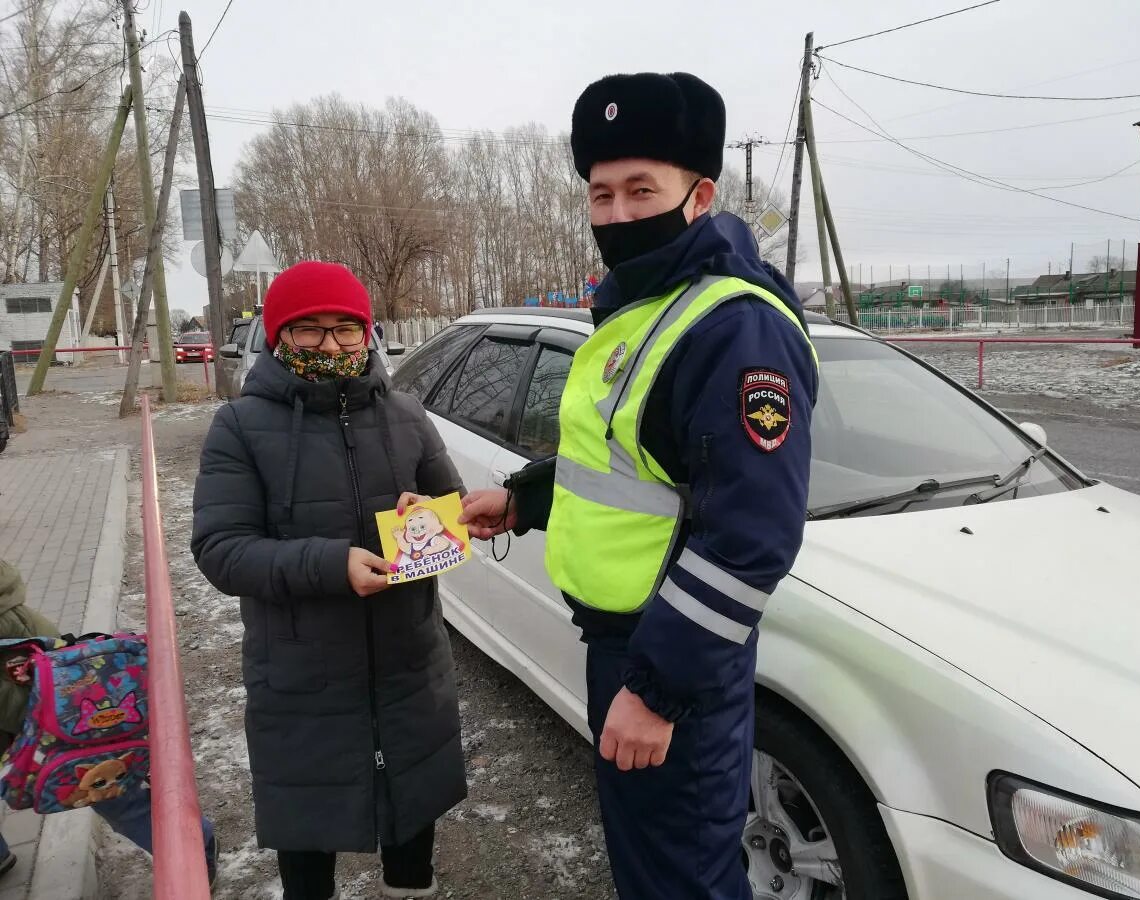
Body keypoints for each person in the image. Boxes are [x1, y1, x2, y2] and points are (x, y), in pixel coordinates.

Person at [459, 72, 819, 898]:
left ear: (700, 197)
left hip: (671, 657)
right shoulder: (642, 305)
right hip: (627, 646)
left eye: (641, 190)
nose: (618, 213)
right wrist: (524, 499)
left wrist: (657, 692)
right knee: (653, 866)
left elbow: (748, 537)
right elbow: (633, 464)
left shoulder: (733, 324)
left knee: (680, 878)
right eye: (601, 193)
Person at [191, 261, 466, 900]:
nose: (331, 345)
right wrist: (328, 564)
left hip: (406, 664)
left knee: (411, 823)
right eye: (308, 331)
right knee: (307, 842)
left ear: (366, 334)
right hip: (300, 673)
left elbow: (452, 512)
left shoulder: (405, 413)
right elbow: (220, 549)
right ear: (278, 336)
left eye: (345, 330)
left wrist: (425, 517)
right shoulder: (239, 427)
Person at [0, 559, 219, 884]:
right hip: (37, 684)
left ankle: (193, 851)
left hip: (34, 696)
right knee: (98, 777)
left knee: (103, 782)